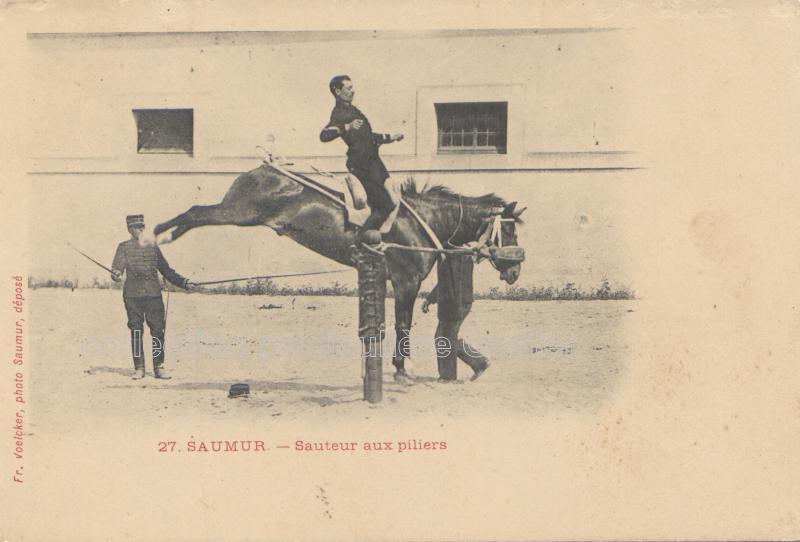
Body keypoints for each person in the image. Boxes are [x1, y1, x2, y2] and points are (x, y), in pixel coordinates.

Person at [111, 214, 194, 380]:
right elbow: (116, 270)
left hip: (153, 295)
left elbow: (167, 271)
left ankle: (158, 367)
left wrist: (184, 282)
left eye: (142, 227)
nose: (140, 230)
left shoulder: (153, 247)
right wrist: (116, 274)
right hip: (132, 296)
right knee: (136, 331)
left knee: (157, 331)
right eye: (136, 227)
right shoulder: (123, 247)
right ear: (129, 229)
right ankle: (139, 368)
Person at [320, 75, 404, 239]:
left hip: (375, 165)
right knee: (384, 206)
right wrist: (346, 127)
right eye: (349, 88)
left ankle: (377, 237)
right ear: (338, 91)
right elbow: (324, 136)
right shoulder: (339, 112)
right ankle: (361, 242)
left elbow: (368, 137)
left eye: (352, 88)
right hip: (362, 166)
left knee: (394, 201)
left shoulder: (352, 110)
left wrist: (390, 137)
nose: (353, 91)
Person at [422, 253, 490, 382]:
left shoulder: (459, 255)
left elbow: (456, 283)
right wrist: (430, 299)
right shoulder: (451, 253)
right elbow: (445, 281)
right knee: (443, 337)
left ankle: (448, 377)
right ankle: (479, 362)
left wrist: (456, 307)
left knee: (445, 338)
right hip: (452, 303)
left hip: (456, 303)